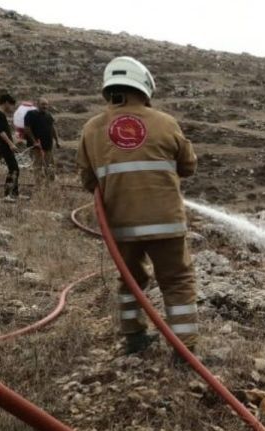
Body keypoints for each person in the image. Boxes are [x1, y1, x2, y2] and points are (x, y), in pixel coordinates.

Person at [76, 56, 199, 357]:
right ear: (144, 87)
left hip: (120, 225)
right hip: (167, 224)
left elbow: (87, 178)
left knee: (129, 280)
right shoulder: (165, 123)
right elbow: (189, 166)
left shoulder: (92, 129)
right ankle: (185, 352)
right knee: (177, 282)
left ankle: (134, 339)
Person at [0, 93, 21, 202]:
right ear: (7, 103)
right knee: (13, 169)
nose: (12, 108)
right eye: (12, 105)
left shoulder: (0, 115)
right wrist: (10, 144)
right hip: (4, 146)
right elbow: (1, 132)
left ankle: (14, 194)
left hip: (5, 145)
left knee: (15, 169)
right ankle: (8, 195)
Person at [24, 97, 59, 181]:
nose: (45, 106)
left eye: (46, 104)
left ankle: (50, 184)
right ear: (37, 104)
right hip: (36, 145)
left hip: (48, 144)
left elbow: (53, 128)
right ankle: (38, 186)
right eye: (43, 104)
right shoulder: (31, 114)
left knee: (50, 165)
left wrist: (57, 141)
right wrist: (34, 141)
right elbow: (27, 129)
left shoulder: (48, 115)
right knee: (38, 166)